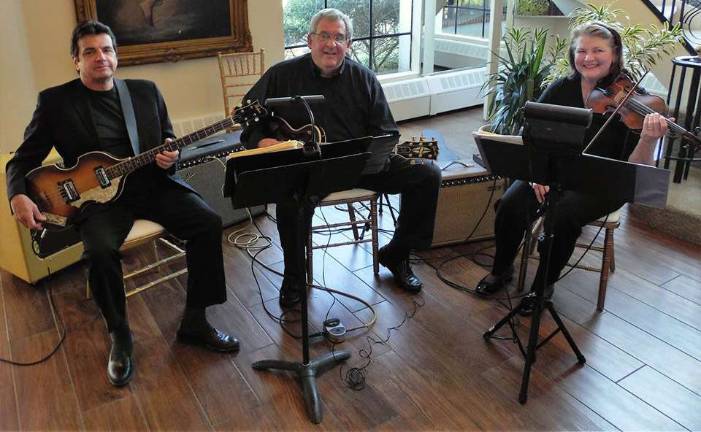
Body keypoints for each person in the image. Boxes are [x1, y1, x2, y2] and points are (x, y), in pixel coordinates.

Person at [5, 20, 239, 387]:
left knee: (208, 222)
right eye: (90, 52)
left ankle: (195, 320)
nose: (101, 57)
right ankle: (120, 335)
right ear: (76, 61)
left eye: (107, 50)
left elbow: (169, 139)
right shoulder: (55, 103)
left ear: (117, 55)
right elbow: (21, 160)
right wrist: (18, 194)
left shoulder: (145, 92)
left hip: (153, 187)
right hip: (100, 202)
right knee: (99, 250)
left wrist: (170, 157)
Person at [240, 8, 442, 307]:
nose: (331, 44)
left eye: (339, 37)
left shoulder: (364, 78)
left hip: (358, 164)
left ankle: (396, 254)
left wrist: (379, 149)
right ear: (309, 40)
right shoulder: (281, 75)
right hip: (307, 166)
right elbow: (248, 116)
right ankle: (294, 275)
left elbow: (386, 130)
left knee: (428, 172)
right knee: (289, 203)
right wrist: (262, 140)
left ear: (349, 44)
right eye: (324, 36)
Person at [474, 22, 669, 313]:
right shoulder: (561, 88)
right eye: (582, 51)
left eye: (598, 51)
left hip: (602, 181)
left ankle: (543, 287)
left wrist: (649, 139)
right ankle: (502, 270)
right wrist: (536, 175)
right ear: (573, 54)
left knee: (563, 216)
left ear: (614, 54)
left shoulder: (635, 101)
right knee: (511, 205)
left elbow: (633, 168)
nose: (588, 58)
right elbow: (533, 133)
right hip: (552, 171)